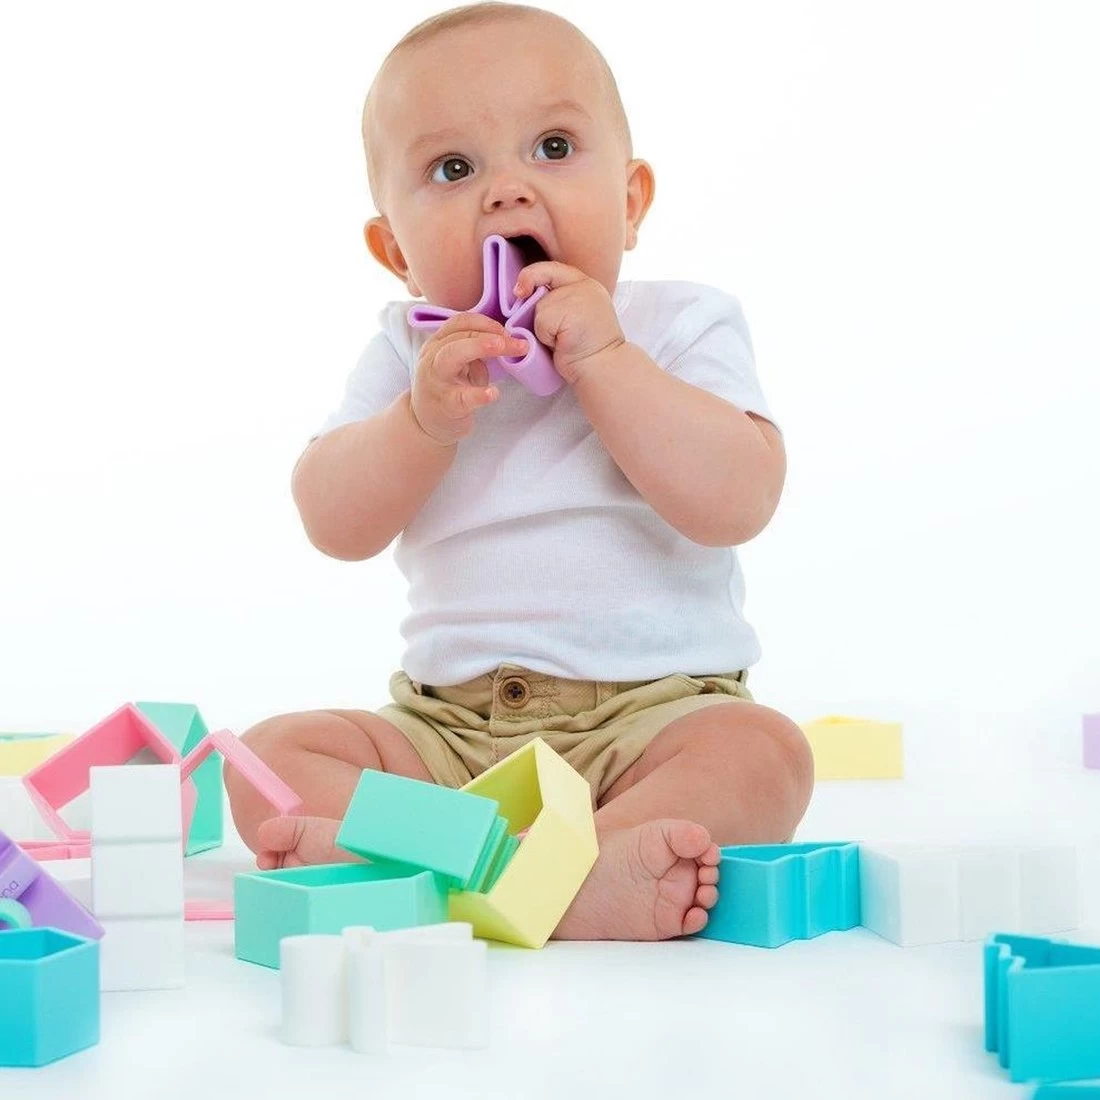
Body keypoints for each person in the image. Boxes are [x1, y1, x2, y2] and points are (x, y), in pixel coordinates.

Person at [224, 1, 814, 941]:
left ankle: (554, 869)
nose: (505, 192)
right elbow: (332, 522)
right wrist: (419, 422)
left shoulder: (680, 323)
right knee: (270, 757)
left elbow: (738, 500)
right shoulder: (409, 352)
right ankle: (509, 863)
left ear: (630, 200)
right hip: (448, 732)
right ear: (396, 252)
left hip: (651, 718)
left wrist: (607, 362)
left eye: (552, 147)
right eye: (453, 169)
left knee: (763, 753)